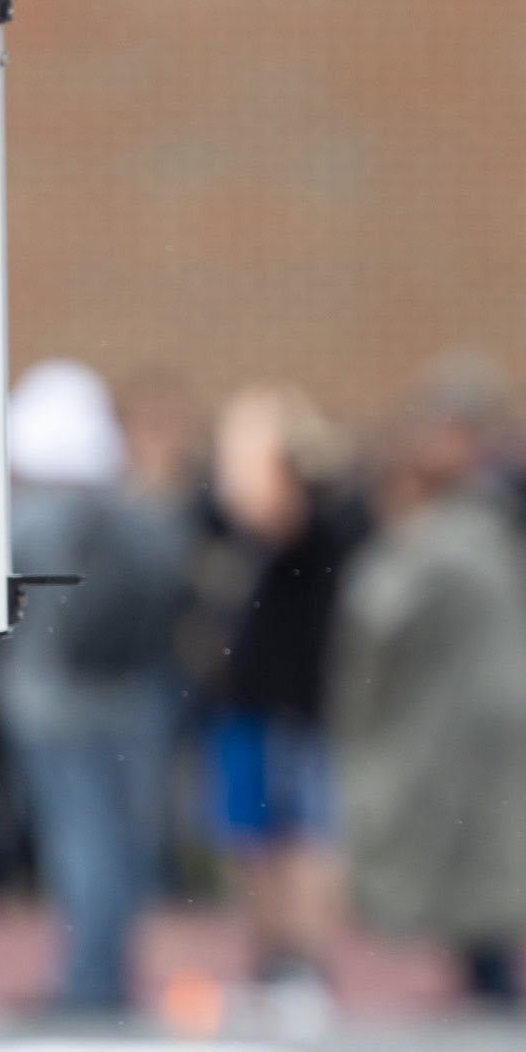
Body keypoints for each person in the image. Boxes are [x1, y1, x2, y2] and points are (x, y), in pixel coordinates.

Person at [330, 391, 526, 1011]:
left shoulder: (439, 543)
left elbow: (378, 614)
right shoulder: (496, 532)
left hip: (463, 728)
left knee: (471, 853)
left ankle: (494, 979)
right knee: (491, 855)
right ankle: (489, 972)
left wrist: (392, 543)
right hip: (497, 719)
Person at [0, 361, 190, 1015]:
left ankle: (87, 983)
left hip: (53, 702)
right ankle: (108, 972)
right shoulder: (132, 509)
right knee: (120, 841)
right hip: (132, 696)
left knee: (79, 840)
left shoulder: (29, 517)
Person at [200, 386, 363, 1015]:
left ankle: (306, 962)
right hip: (248, 704)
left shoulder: (318, 518)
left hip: (302, 704)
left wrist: (273, 454)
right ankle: (270, 960)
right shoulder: (231, 529)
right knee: (249, 839)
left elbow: (286, 510)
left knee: (308, 838)